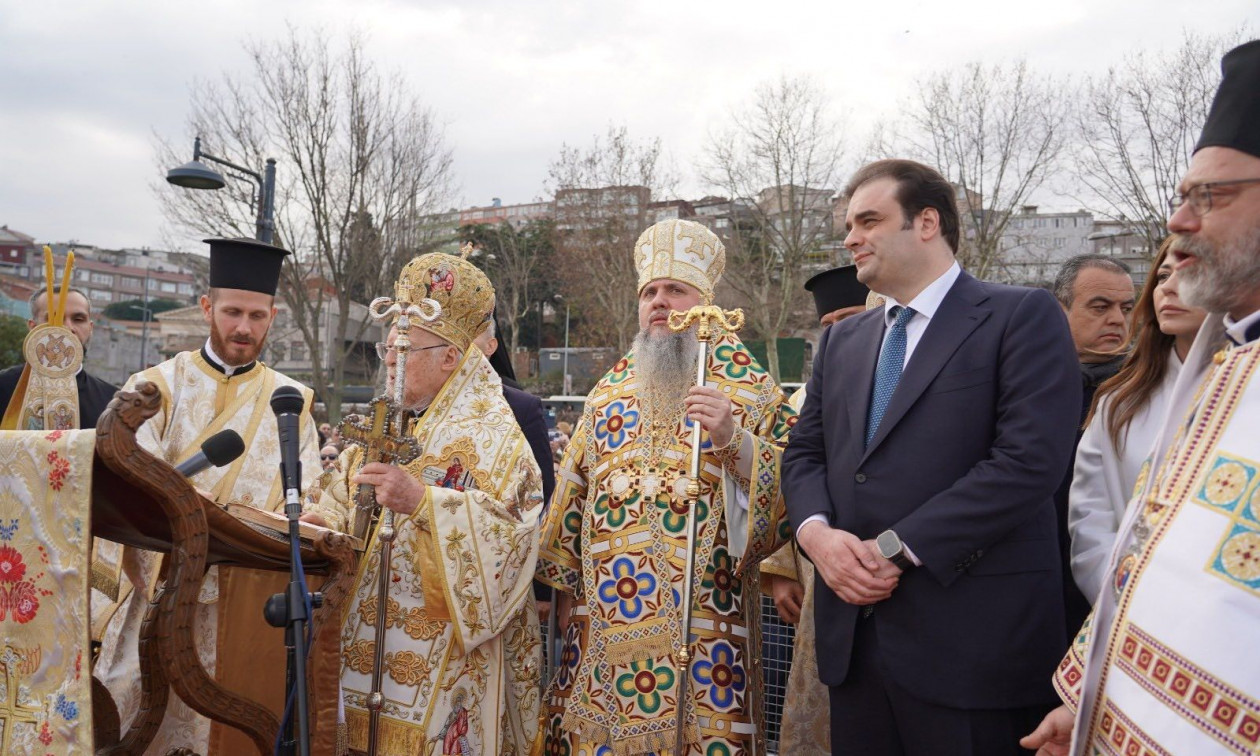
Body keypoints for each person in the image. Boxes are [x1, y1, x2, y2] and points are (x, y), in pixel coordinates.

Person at [783, 158, 1081, 756]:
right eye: (848, 224)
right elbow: (805, 454)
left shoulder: (1019, 315)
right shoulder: (842, 341)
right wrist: (817, 538)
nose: (850, 238)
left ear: (926, 222)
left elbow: (1027, 463)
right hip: (858, 649)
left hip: (973, 649)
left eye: (869, 220)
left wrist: (895, 549)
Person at [1024, 38, 1260, 756]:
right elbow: (1151, 554)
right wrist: (1098, 697)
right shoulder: (1229, 370)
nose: (1180, 223)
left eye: (1210, 196)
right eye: (1180, 197)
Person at [536, 218, 797, 756]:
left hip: (706, 614)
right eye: (649, 292)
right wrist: (561, 590)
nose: (659, 301)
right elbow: (573, 494)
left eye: (674, 290)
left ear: (706, 304)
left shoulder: (752, 389)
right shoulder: (606, 392)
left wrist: (733, 439)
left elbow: (798, 483)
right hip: (603, 616)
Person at [302, 250, 544, 755]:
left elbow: (516, 539)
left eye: (405, 347)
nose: (390, 358)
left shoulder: (497, 440)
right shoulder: (384, 423)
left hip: (448, 666)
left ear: (450, 357)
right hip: (360, 650)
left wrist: (424, 502)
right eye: (387, 345)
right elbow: (343, 493)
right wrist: (318, 521)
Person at [93, 237, 322, 754]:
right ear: (206, 308)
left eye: (257, 316)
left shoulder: (291, 401)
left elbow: (310, 494)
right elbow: (124, 487)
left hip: (248, 602)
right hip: (161, 592)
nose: (244, 327)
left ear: (272, 316)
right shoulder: (154, 388)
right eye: (233, 312)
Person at [760, 265, 873, 756]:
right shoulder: (804, 397)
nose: (839, 332)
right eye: (828, 325)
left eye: (849, 317)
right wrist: (779, 571)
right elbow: (787, 479)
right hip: (815, 573)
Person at [1067, 239, 1207, 601]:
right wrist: (1126, 601)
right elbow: (1090, 524)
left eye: (1190, 272)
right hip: (1130, 609)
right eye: (1162, 276)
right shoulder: (1119, 401)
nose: (1169, 287)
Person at [1051, 255, 1137, 634]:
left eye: (1127, 308)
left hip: (1115, 589)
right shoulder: (1029, 386)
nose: (1118, 320)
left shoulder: (1143, 391)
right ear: (1060, 310)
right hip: (1039, 586)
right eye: (1100, 307)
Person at [0, 285, 117, 428]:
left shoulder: (113, 402)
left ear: (90, 328)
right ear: (33, 327)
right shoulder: (3, 386)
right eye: (55, 319)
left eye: (78, 319)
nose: (68, 328)